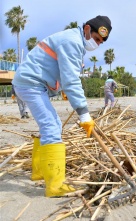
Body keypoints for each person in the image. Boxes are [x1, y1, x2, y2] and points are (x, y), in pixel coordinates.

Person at [11, 15, 112, 197]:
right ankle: (55, 185)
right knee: (51, 126)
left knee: (51, 125)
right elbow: (71, 80)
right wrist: (83, 113)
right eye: (96, 38)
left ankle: (40, 172)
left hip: (32, 83)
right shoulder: (72, 42)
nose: (96, 44)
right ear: (87, 29)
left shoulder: (75, 41)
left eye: (100, 42)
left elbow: (63, 73)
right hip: (31, 83)